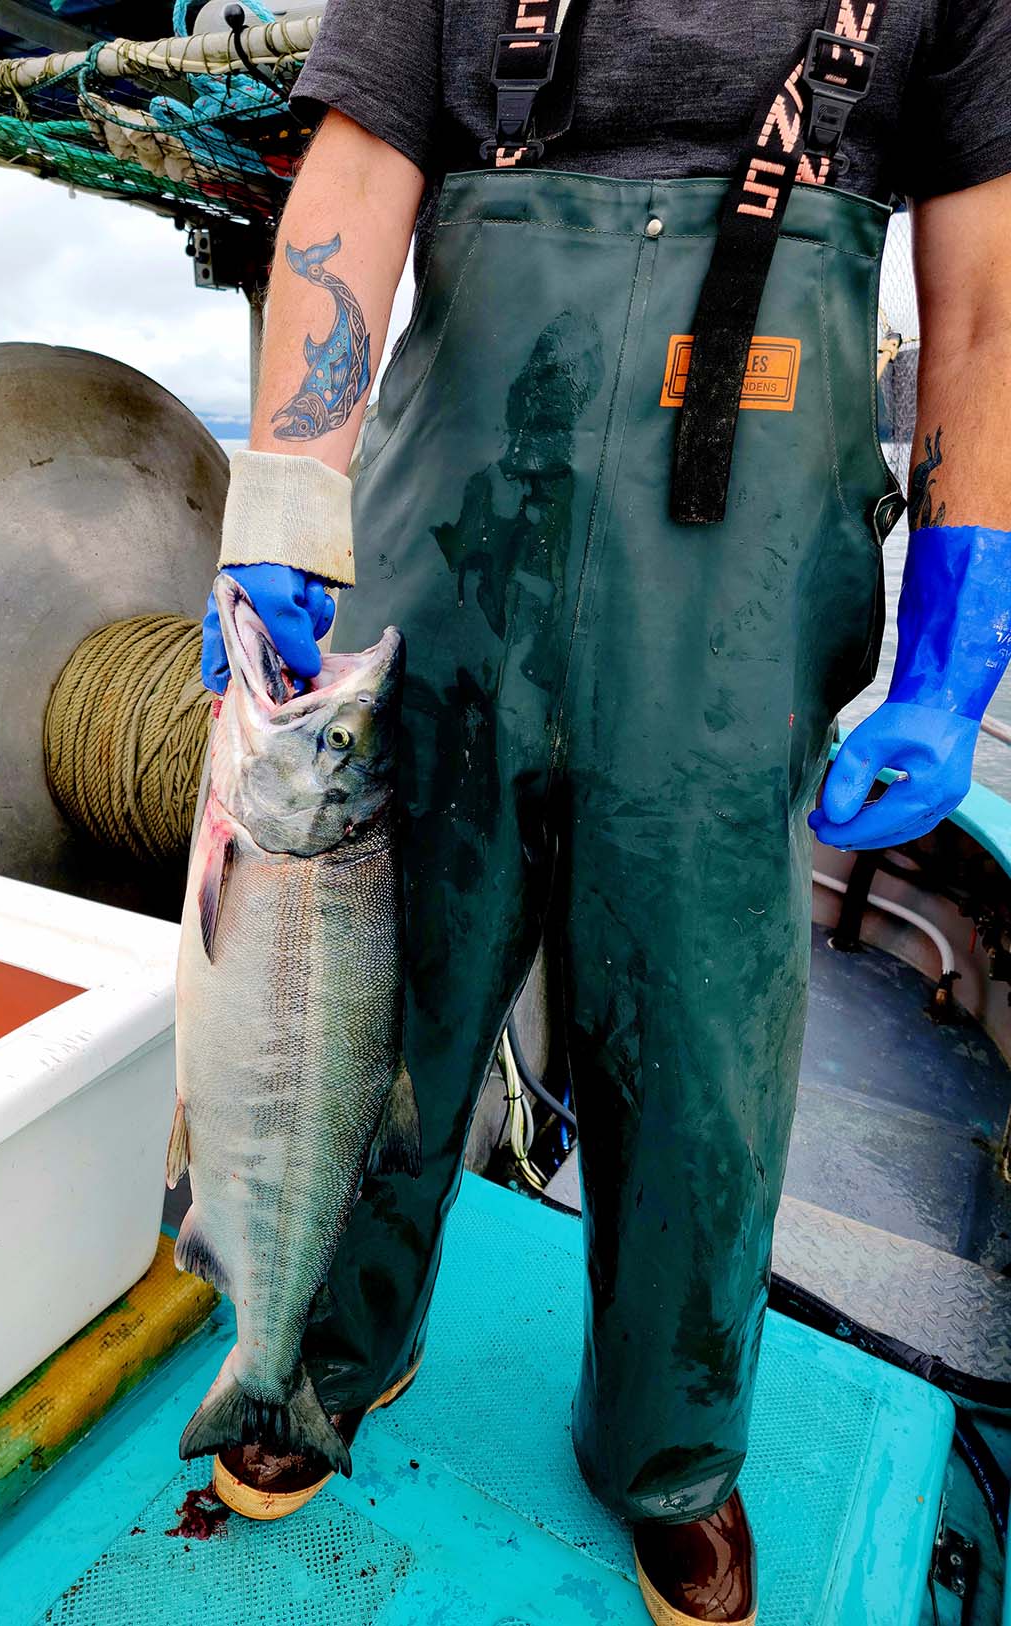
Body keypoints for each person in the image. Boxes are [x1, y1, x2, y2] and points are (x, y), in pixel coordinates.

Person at [199, 2, 1011, 1620]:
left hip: (741, 594)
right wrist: (290, 478)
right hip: (456, 539)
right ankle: (317, 1349)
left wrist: (955, 645)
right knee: (392, 973)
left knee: (705, 1030)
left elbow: (984, 305)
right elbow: (359, 174)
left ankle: (671, 1452)